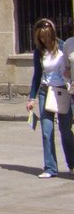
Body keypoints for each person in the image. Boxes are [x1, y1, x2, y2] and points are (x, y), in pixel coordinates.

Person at [26, 18, 74, 178]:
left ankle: (72, 164)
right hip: (45, 92)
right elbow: (37, 76)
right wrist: (31, 98)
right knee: (47, 131)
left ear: (52, 34)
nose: (45, 40)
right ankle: (50, 168)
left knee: (66, 131)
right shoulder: (38, 52)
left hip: (62, 90)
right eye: (41, 37)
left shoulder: (63, 46)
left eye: (47, 36)